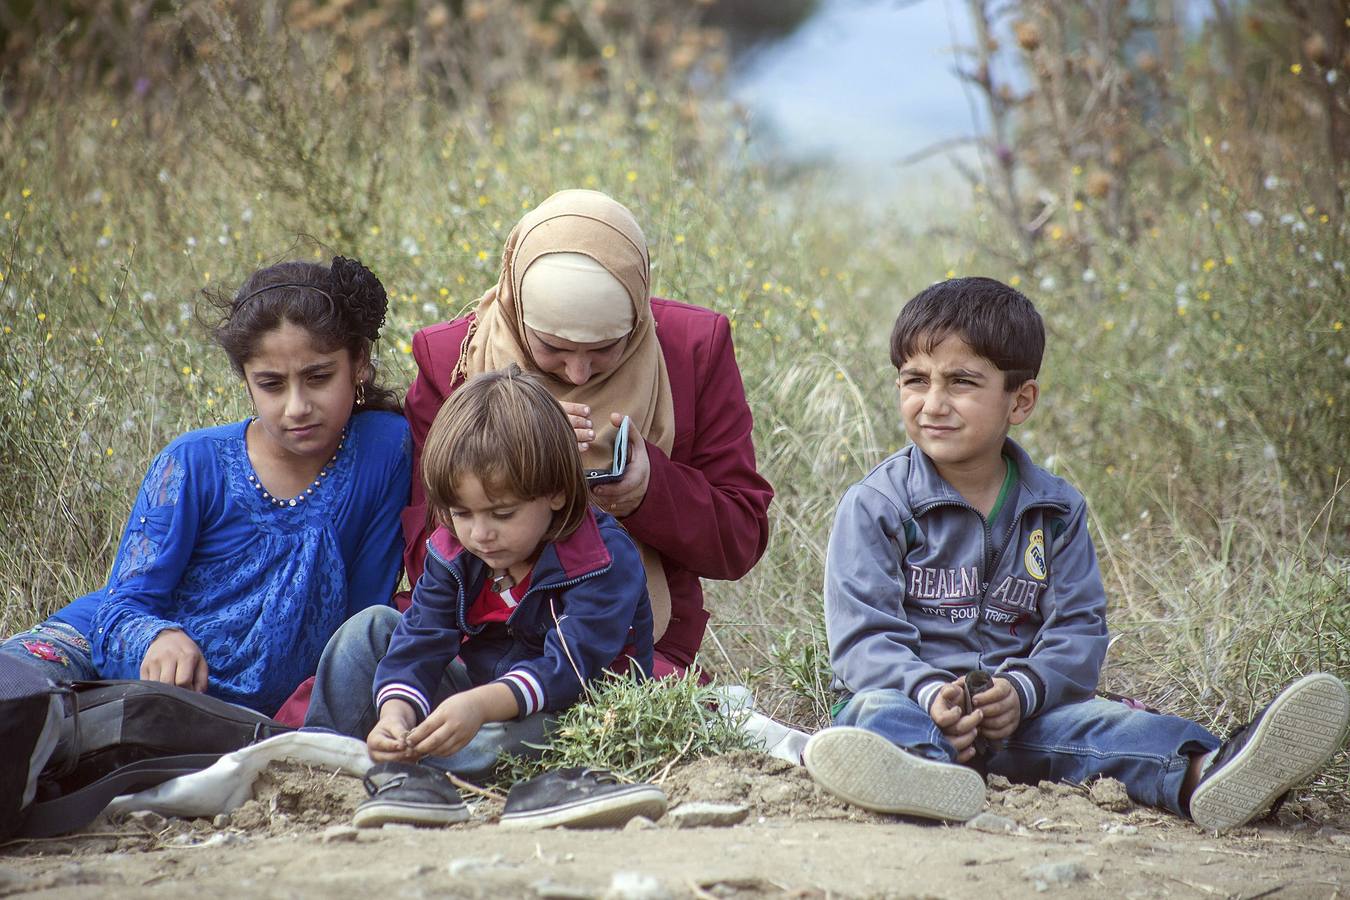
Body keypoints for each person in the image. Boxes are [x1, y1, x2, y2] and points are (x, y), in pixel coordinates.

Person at [803, 276, 1350, 831]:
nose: (932, 403)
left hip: (1022, 722)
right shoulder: (877, 506)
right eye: (914, 380)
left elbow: (1078, 632)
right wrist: (926, 694)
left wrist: (1022, 691)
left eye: (962, 381)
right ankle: (925, 772)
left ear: (1021, 400)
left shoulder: (1056, 510)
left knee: (1105, 725)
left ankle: (1207, 773)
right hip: (910, 706)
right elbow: (863, 640)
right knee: (874, 715)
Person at [0, 257, 411, 717]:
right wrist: (159, 636)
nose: (297, 406)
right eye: (271, 384)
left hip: (227, 720)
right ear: (246, 382)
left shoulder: (385, 449)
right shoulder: (194, 463)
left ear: (359, 363)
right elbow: (119, 615)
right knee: (15, 708)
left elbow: (360, 625)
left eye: (318, 377)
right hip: (100, 658)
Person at [400, 188, 773, 676]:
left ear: (638, 316)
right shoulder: (454, 358)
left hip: (625, 645)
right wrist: (520, 440)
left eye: (605, 348)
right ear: (516, 307)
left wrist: (647, 492)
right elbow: (423, 546)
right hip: (472, 631)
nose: (578, 373)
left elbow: (740, 540)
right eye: (553, 347)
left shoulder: (691, 350)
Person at [311, 365, 652, 776]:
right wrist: (395, 713)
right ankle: (328, 757)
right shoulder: (454, 548)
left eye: (503, 513)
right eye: (461, 513)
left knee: (526, 738)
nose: (481, 533)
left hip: (576, 712)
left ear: (557, 492)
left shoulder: (601, 557)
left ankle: (416, 766)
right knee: (371, 628)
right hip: (474, 699)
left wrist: (478, 706)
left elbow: (572, 669)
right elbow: (421, 639)